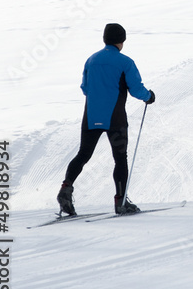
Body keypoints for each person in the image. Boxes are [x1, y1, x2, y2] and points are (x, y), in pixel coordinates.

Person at [57, 23, 155, 217]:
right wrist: (149, 96)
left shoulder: (91, 60)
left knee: (83, 154)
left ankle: (65, 189)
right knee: (120, 158)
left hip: (91, 116)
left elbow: (85, 88)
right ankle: (121, 201)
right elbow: (136, 89)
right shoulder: (125, 62)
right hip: (115, 118)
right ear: (122, 41)